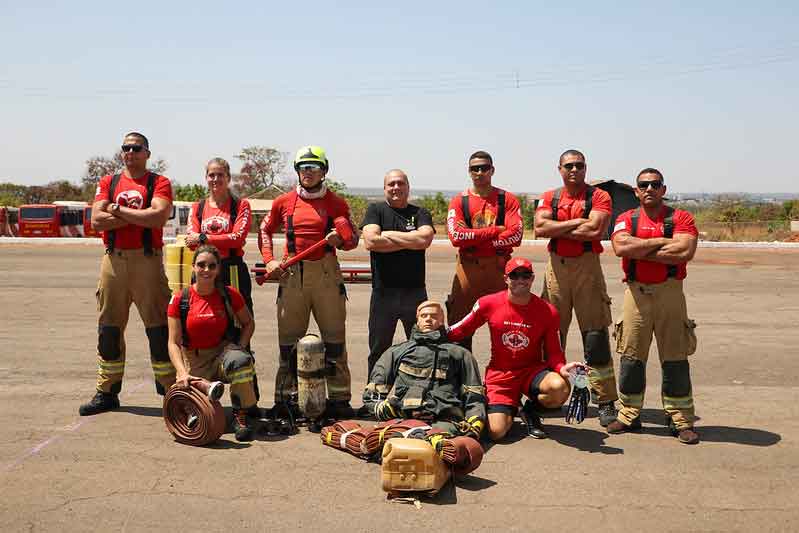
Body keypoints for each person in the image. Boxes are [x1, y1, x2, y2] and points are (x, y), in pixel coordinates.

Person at [259, 146, 359, 419]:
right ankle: (286, 400)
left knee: (335, 342)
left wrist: (342, 238)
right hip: (293, 276)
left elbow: (352, 240)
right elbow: (264, 229)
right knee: (288, 344)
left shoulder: (337, 203)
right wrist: (269, 260)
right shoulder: (283, 202)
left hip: (327, 276)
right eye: (303, 167)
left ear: (324, 170)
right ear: (297, 170)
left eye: (314, 167)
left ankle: (339, 400)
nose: (308, 172)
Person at [79, 132, 176, 416]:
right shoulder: (108, 182)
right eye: (125, 148)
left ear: (147, 153)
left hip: (148, 262)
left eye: (136, 148)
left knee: (159, 328)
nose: (130, 152)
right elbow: (97, 221)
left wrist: (117, 210)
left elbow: (158, 217)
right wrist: (138, 216)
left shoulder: (159, 182)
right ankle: (107, 391)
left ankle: (170, 390)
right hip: (113, 263)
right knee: (108, 329)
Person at [448, 257, 588, 440]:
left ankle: (530, 409)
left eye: (525, 275)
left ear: (532, 279)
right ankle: (513, 406)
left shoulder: (548, 311)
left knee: (559, 388)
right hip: (501, 374)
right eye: (514, 275)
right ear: (506, 278)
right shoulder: (487, 303)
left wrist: (562, 368)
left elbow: (554, 352)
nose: (520, 280)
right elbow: (461, 328)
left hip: (531, 371)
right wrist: (434, 332)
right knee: (496, 433)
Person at [608, 168, 700, 444]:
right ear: (636, 191)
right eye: (643, 185)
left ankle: (680, 419)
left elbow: (685, 251)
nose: (649, 189)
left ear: (663, 189)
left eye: (655, 184)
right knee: (631, 354)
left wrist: (642, 248)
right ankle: (628, 414)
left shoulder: (680, 217)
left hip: (670, 293)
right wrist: (662, 243)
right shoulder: (626, 219)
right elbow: (621, 248)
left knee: (674, 356)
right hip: (635, 294)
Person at [533, 149, 619, 427]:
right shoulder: (551, 196)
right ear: (559, 168)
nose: (574, 170)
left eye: (579, 165)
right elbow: (539, 228)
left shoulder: (599, 196)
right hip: (556, 268)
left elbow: (594, 231)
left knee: (594, 335)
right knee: (551, 334)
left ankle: (604, 400)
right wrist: (576, 223)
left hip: (587, 266)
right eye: (568, 165)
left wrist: (557, 226)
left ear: (586, 168)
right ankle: (549, 396)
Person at [166, 245, 259, 441]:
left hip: (221, 355)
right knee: (192, 417)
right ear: (193, 267)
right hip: (194, 359)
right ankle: (204, 391)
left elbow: (248, 323)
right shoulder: (179, 299)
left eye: (212, 266)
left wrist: (239, 346)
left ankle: (240, 415)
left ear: (218, 269)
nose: (206, 270)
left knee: (240, 361)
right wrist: (182, 372)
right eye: (201, 265)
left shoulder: (229, 294)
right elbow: (173, 342)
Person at [362, 300, 486, 439]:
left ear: (441, 321)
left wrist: (474, 425)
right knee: (385, 444)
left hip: (445, 422)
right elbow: (372, 397)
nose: (428, 319)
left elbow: (474, 397)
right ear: (417, 321)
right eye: (424, 316)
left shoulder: (461, 355)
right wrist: (391, 409)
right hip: (404, 419)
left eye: (433, 316)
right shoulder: (396, 352)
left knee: (443, 448)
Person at [446, 150, 523, 351]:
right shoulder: (459, 201)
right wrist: (495, 231)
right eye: (475, 168)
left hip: (498, 271)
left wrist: (476, 240)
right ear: (469, 172)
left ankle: (502, 380)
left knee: (506, 327)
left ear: (492, 170)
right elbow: (456, 237)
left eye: (484, 168)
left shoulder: (507, 200)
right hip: (468, 271)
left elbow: (516, 235)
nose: (480, 172)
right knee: (459, 329)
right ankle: (463, 379)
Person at [360, 169, 434, 377]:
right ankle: (374, 394)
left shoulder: (420, 213)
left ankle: (419, 394)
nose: (396, 187)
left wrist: (389, 236)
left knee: (422, 347)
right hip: (383, 294)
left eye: (400, 183)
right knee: (379, 350)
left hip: (416, 293)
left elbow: (424, 241)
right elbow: (371, 241)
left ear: (408, 187)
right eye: (391, 184)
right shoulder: (375, 210)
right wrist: (410, 239)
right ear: (384, 189)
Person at [185, 158, 254, 317]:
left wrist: (203, 238)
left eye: (220, 175)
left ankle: (240, 344)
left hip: (232, 269)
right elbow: (190, 241)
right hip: (203, 269)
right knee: (203, 316)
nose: (215, 179)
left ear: (228, 178)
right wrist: (220, 239)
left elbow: (237, 238)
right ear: (206, 178)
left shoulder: (240, 205)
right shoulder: (197, 207)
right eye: (211, 175)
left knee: (238, 320)